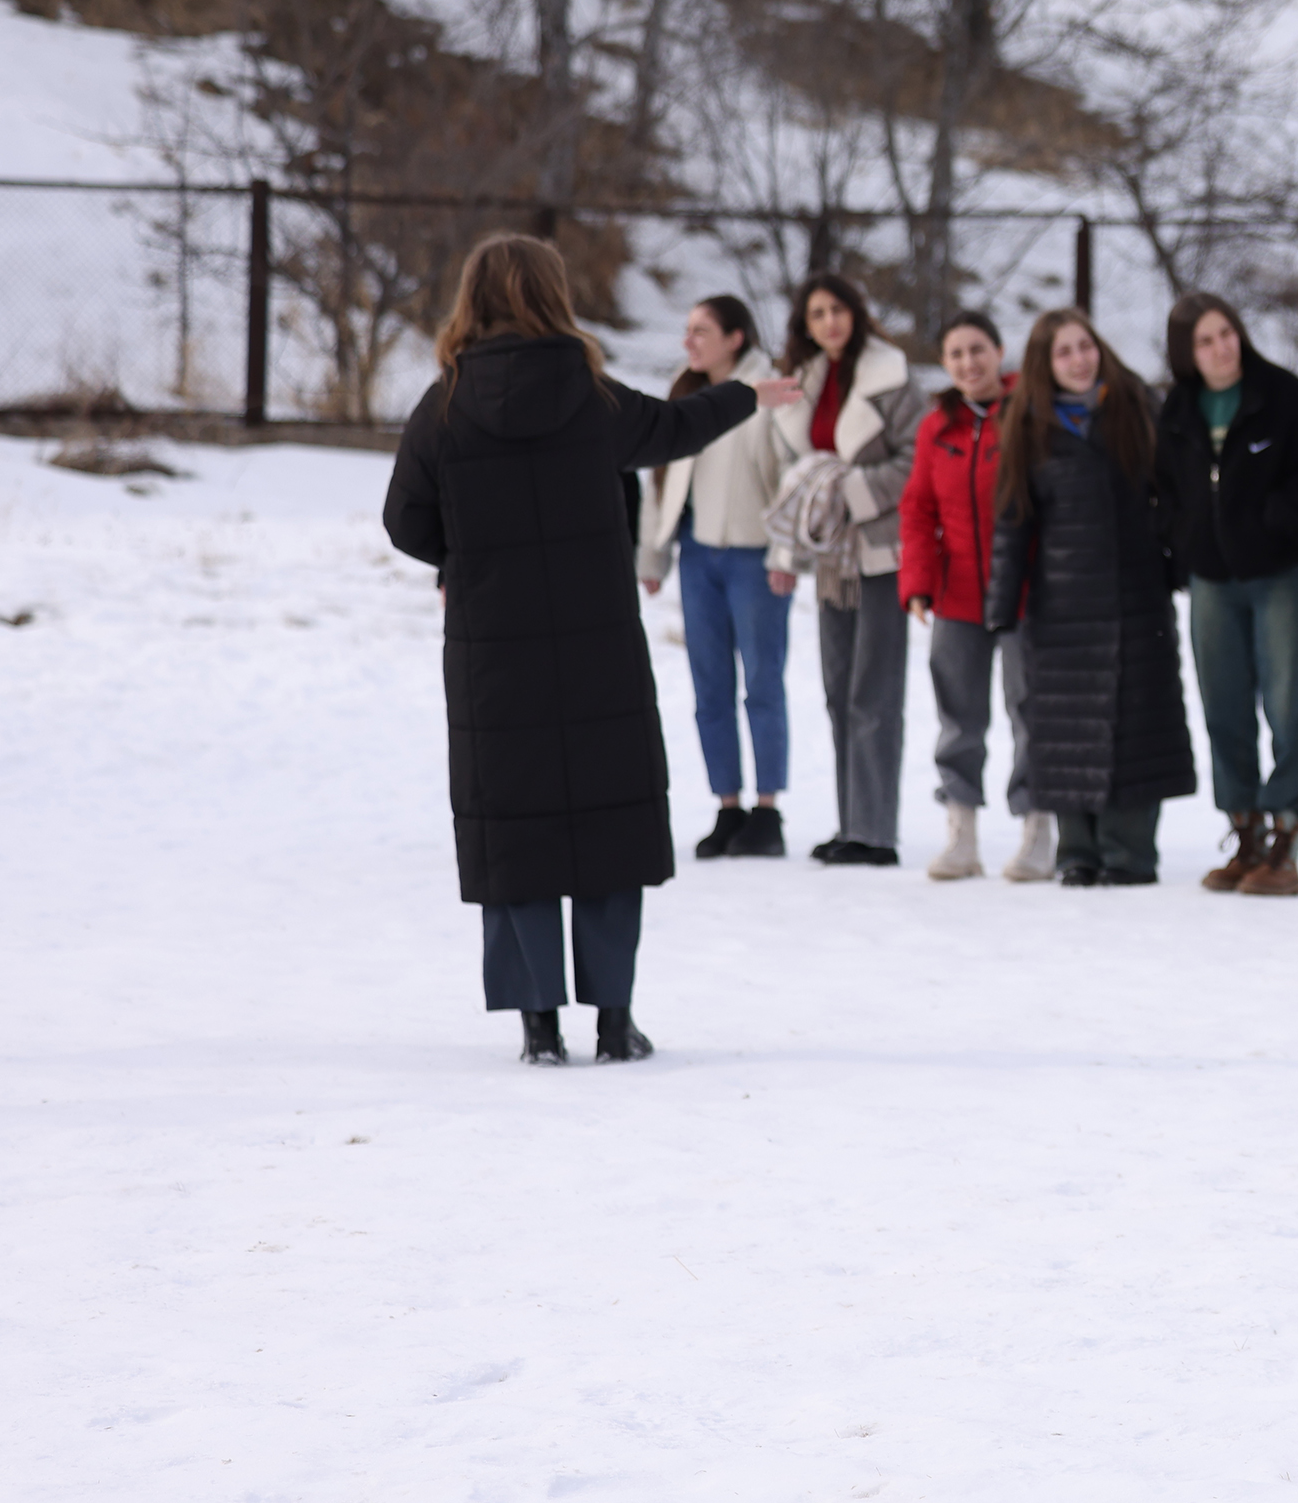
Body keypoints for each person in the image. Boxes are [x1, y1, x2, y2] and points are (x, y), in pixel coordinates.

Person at [386, 235, 789, 1064]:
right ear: (552, 295)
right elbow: (673, 429)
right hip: (596, 645)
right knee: (608, 823)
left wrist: (461, 560)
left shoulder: (444, 404)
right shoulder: (588, 394)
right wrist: (746, 395)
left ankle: (538, 1026)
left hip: (494, 653)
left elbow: (403, 519)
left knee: (516, 830)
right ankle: (614, 1020)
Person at [984, 308, 1202, 889]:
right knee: (1066, 731)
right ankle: (1077, 850)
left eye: (1085, 346)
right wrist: (1001, 605)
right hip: (1062, 606)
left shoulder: (1136, 407)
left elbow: (1174, 495)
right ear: (1045, 365)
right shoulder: (1027, 424)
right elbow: (1012, 520)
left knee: (1136, 724)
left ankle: (1128, 852)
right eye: (1064, 352)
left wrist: (1179, 566)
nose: (1079, 360)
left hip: (1136, 597)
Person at [1159, 292, 1298, 897]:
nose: (1221, 348)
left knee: (1293, 704)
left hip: (1281, 575)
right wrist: (1183, 545)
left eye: (1227, 333)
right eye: (1205, 341)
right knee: (1224, 707)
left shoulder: (1285, 397)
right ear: (1186, 352)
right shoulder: (1178, 411)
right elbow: (1165, 490)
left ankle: (1286, 831)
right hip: (1212, 582)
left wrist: (1282, 525)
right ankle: (1244, 832)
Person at [762, 273, 926, 866]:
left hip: (880, 551)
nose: (829, 322)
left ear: (856, 313)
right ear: (805, 326)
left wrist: (851, 490)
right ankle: (850, 821)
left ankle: (875, 832)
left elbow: (915, 457)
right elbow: (792, 474)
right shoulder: (805, 382)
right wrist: (785, 553)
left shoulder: (891, 376)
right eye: (817, 314)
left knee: (873, 691)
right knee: (839, 690)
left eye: (837, 310)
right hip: (831, 554)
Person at [633, 293, 795, 859]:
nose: (689, 341)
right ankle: (727, 806)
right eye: (687, 330)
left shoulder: (770, 392)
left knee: (763, 683)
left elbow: (792, 478)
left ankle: (767, 810)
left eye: (702, 330)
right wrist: (652, 558)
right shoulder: (686, 394)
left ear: (735, 338)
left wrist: (785, 556)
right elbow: (661, 479)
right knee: (709, 687)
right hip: (698, 557)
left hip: (756, 559)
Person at [899, 310, 1050, 884]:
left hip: (1024, 593)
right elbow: (918, 508)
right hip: (956, 595)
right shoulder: (936, 427)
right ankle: (960, 832)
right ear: (944, 362)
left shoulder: (1029, 414)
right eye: (956, 354)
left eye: (978, 349)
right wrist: (917, 582)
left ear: (999, 351)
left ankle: (1038, 829)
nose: (969, 363)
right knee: (958, 716)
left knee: (1029, 710)